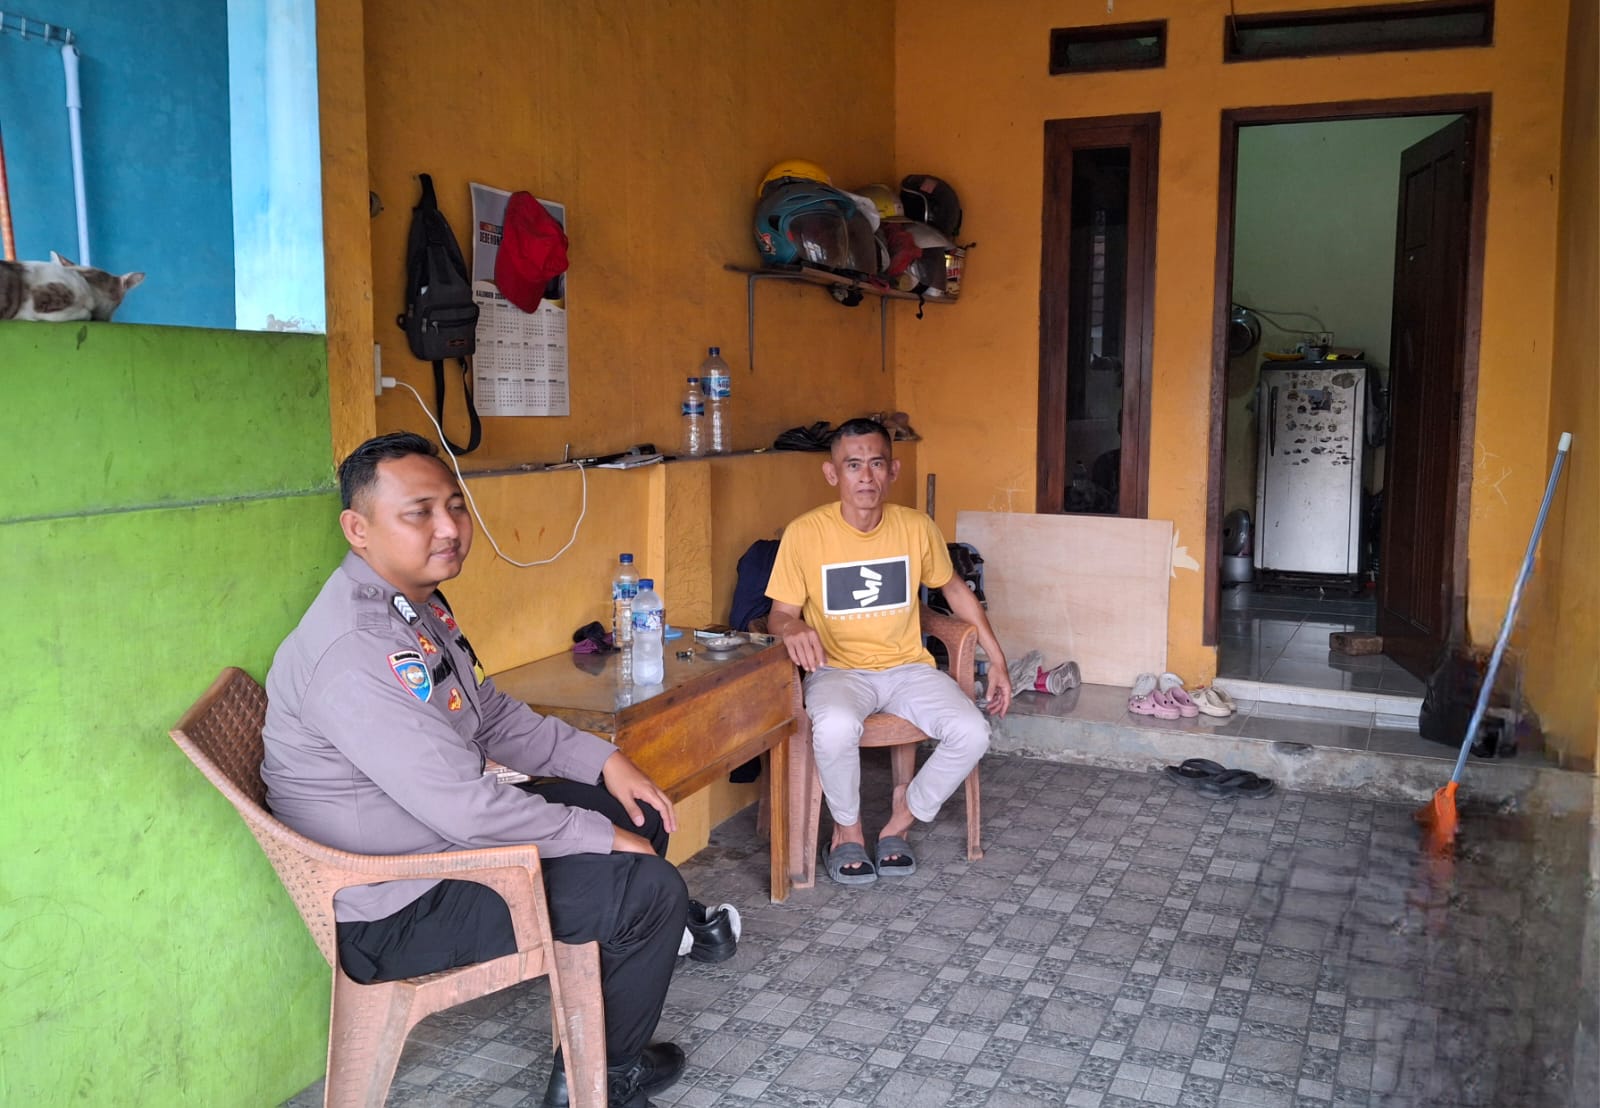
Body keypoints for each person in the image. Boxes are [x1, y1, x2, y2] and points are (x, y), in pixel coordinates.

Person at [261, 431, 686, 1108]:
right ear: (357, 529)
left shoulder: (416, 606)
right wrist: (598, 837)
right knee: (649, 889)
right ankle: (601, 1084)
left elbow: (485, 713)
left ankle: (589, 1056)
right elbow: (464, 807)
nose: (449, 528)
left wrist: (605, 761)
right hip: (399, 904)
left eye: (455, 506)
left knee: (636, 812)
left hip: (438, 845)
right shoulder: (355, 651)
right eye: (419, 512)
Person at [764, 417, 1012, 885]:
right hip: (837, 672)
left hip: (907, 670)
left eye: (876, 464)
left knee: (973, 732)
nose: (866, 476)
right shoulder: (805, 533)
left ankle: (902, 817)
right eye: (853, 465)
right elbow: (778, 615)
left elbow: (955, 590)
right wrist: (792, 625)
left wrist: (997, 660)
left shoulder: (915, 527)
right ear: (832, 473)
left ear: (893, 470)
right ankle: (848, 830)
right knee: (835, 726)